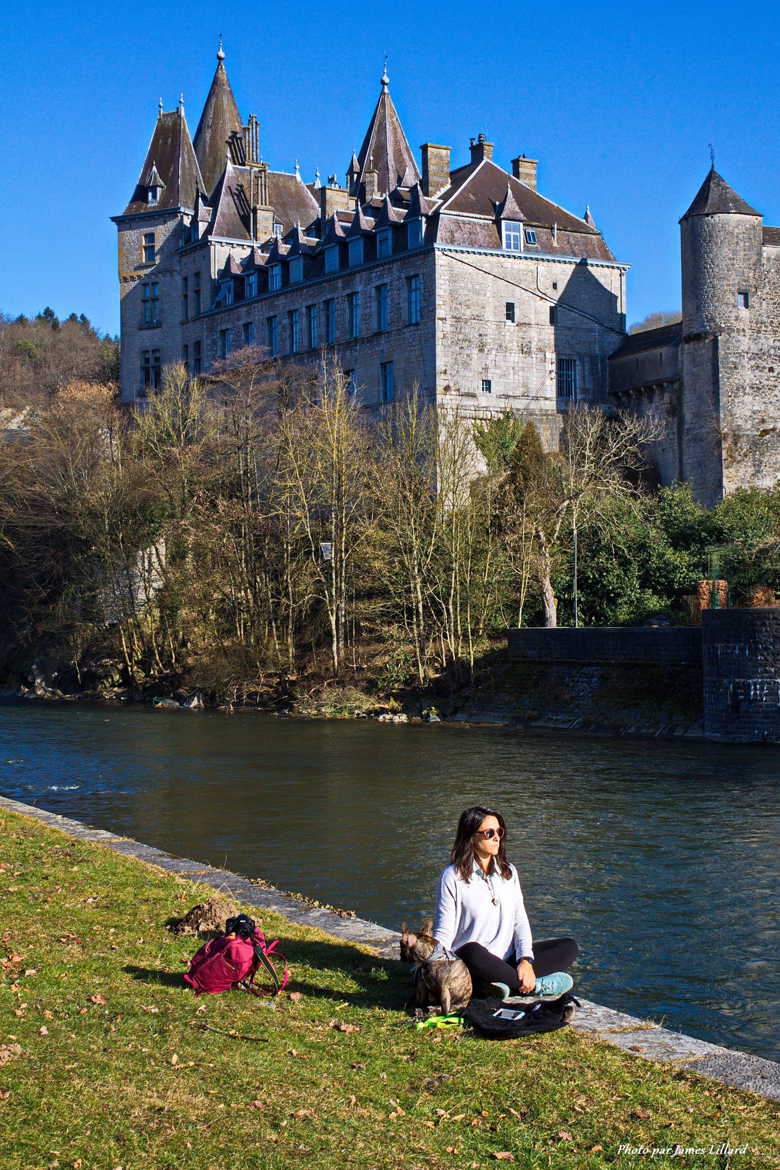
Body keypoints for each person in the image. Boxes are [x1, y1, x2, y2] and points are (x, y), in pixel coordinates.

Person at [431, 805, 578, 999]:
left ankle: (503, 984)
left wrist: (525, 961)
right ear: (471, 837)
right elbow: (444, 932)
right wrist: (432, 968)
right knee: (471, 951)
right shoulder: (453, 877)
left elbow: (520, 921)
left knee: (569, 947)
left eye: (499, 831)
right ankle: (533, 986)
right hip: (474, 961)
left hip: (508, 959)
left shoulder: (509, 873)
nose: (496, 837)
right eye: (489, 832)